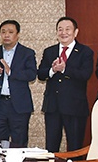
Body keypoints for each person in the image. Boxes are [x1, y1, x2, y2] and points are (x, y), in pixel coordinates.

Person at [37, 16, 94, 152]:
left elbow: (85, 75)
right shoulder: (49, 51)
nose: (63, 33)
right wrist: (52, 70)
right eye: (60, 29)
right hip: (52, 106)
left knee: (75, 148)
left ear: (75, 32)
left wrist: (65, 69)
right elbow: (40, 74)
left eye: (68, 29)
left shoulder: (85, 52)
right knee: (51, 148)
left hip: (75, 107)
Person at [0, 20, 37, 148]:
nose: (6, 35)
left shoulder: (27, 53)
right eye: (3, 32)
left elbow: (31, 75)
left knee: (19, 142)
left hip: (19, 105)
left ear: (17, 34)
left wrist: (11, 72)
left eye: (10, 32)